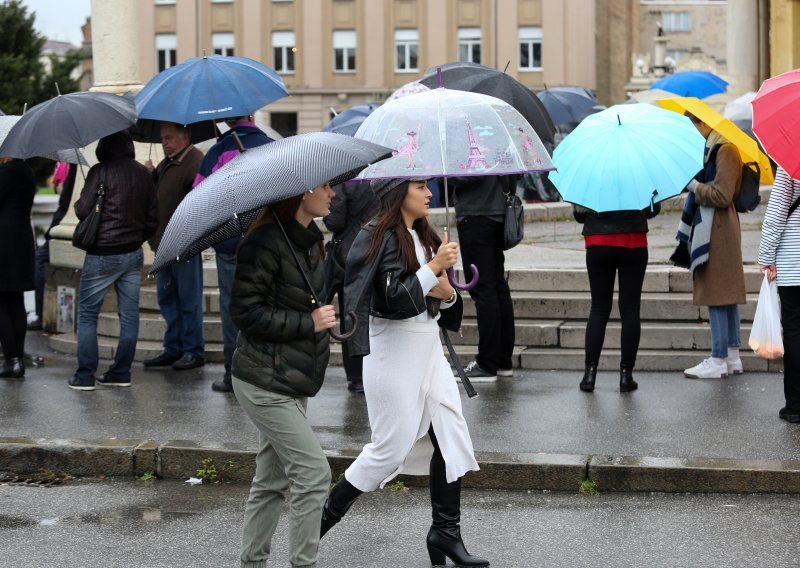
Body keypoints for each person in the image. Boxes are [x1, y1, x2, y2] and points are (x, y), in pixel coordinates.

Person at [322, 178, 488, 568]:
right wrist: (432, 271)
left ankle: (445, 533)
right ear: (398, 193)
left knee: (452, 435)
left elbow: (445, 305)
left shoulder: (426, 235)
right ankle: (313, 527)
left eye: (429, 186)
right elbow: (394, 299)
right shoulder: (375, 235)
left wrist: (445, 291)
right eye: (419, 186)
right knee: (388, 451)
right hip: (392, 352)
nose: (429, 193)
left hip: (428, 349)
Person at [229, 183, 337, 568]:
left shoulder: (311, 241)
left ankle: (252, 562)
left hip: (292, 375)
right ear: (302, 192)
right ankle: (303, 564)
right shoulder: (264, 243)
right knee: (313, 472)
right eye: (325, 186)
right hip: (262, 379)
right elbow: (245, 313)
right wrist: (307, 322)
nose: (332, 193)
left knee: (271, 481)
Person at [67, 132, 157, 391]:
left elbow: (83, 210)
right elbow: (153, 216)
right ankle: (121, 372)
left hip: (101, 254)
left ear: (104, 149)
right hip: (132, 254)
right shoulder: (143, 173)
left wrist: (81, 199)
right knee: (129, 316)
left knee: (87, 314)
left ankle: (85, 376)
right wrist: (137, 237)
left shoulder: (99, 171)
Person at [193, 115, 274, 392]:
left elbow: (199, 194)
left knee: (233, 308)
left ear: (226, 119)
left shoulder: (217, 152)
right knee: (266, 303)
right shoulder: (271, 146)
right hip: (266, 241)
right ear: (252, 116)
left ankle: (234, 374)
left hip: (230, 242)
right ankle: (265, 371)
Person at [680, 113, 746, 380]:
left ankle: (719, 358)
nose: (693, 131)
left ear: (704, 124)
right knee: (724, 293)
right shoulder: (714, 150)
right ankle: (731, 356)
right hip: (716, 228)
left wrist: (695, 186)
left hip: (718, 229)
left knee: (718, 294)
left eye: (693, 125)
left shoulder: (726, 150)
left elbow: (722, 194)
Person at [573, 203, 660, 392]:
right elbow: (653, 210)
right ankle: (626, 376)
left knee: (598, 308)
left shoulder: (592, 173)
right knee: (630, 309)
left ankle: (589, 375)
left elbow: (579, 215)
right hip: (633, 241)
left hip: (597, 242)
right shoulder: (638, 172)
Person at [143, 122, 205, 371]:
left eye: (169, 138)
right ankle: (173, 348)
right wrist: (150, 175)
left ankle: (193, 350)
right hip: (164, 243)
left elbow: (200, 199)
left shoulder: (194, 160)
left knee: (188, 300)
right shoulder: (169, 162)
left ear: (185, 137)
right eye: (162, 139)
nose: (164, 143)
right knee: (167, 297)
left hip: (184, 243)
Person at [449, 174, 520, 382]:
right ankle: (502, 360)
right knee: (497, 286)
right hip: (498, 211)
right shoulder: (504, 140)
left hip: (476, 212)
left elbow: (466, 174)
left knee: (484, 288)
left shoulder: (472, 140)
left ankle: (488, 363)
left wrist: (446, 172)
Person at [322, 179, 378, 393]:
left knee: (352, 314)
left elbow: (334, 221)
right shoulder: (381, 172)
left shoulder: (344, 177)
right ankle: (370, 372)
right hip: (377, 247)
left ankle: (357, 375)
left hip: (349, 251)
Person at [758, 166, 800, 422]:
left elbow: (776, 214)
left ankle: (795, 405)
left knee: (794, 329)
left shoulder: (792, 160)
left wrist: (766, 256)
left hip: (794, 262)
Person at [29, 162, 77, 331]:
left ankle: (41, 314)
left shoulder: (73, 167)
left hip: (66, 224)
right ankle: (41, 313)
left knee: (40, 260)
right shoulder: (71, 166)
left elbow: (65, 199)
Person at [0, 156, 36, 378]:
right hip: (20, 240)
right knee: (15, 300)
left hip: (4, 242)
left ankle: (10, 359)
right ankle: (17, 359)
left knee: (2, 301)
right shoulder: (25, 170)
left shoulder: (7, 172)